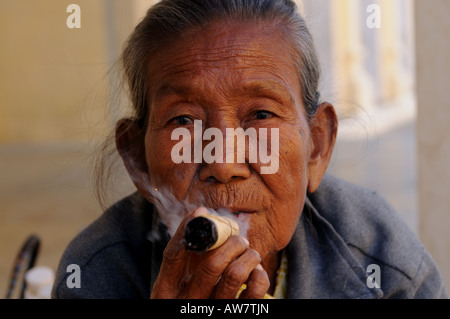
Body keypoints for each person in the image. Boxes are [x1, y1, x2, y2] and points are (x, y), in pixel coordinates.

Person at [52, 0, 447, 299]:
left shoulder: (380, 255)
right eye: (184, 121)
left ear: (317, 147)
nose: (222, 164)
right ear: (138, 158)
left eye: (261, 114)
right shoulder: (96, 273)